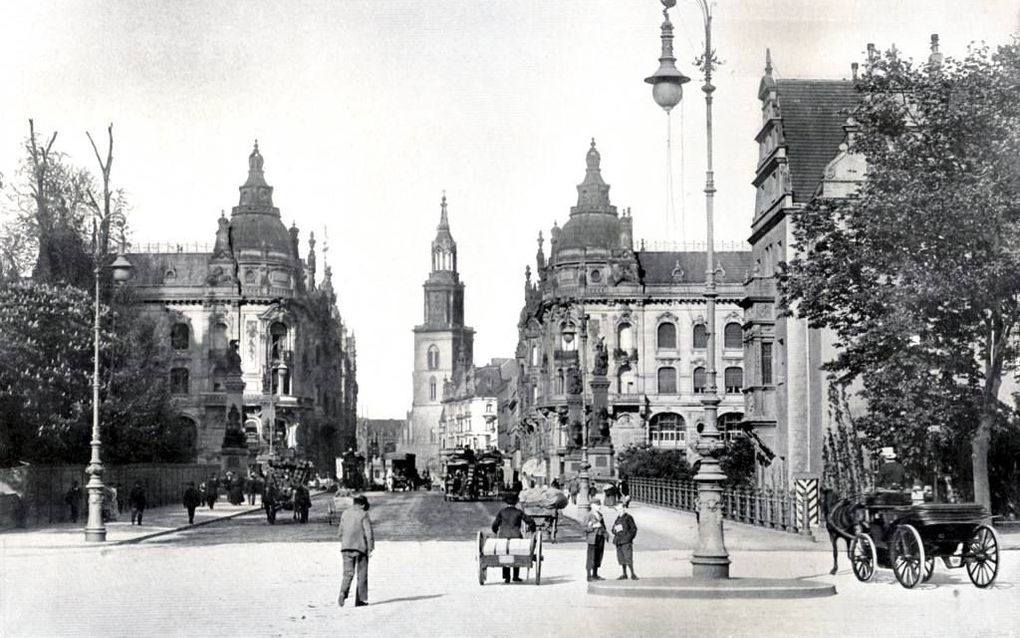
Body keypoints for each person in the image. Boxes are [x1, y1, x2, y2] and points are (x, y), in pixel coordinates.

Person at [337, 494, 374, 607]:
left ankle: (343, 593)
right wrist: (370, 547)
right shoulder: (363, 514)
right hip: (360, 547)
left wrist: (345, 542)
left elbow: (340, 532)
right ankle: (361, 600)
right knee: (362, 574)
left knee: (347, 573)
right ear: (363, 505)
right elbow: (368, 532)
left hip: (346, 547)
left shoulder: (345, 513)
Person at [490, 493, 535, 584]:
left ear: (506, 502)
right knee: (516, 552)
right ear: (516, 502)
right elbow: (529, 521)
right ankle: (515, 576)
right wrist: (532, 528)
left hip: (503, 536)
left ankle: (507, 577)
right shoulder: (518, 512)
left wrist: (495, 531)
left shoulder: (502, 512)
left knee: (504, 552)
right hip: (516, 536)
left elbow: (495, 525)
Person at [611, 500, 638, 580]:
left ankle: (633, 573)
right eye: (618, 509)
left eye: (620, 509)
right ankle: (624, 573)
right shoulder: (618, 518)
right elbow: (613, 529)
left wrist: (628, 538)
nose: (619, 511)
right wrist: (615, 530)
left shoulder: (628, 517)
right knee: (621, 557)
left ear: (623, 508)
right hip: (619, 541)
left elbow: (634, 529)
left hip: (626, 541)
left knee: (628, 557)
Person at [584, 498, 608, 581]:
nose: (600, 507)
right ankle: (588, 576)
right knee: (591, 556)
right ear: (592, 505)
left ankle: (595, 574)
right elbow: (584, 528)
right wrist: (593, 527)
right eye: (598, 505)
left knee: (598, 555)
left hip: (600, 537)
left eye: (600, 505)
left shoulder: (600, 515)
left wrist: (605, 534)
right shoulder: (588, 515)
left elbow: (603, 526)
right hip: (592, 539)